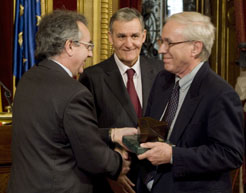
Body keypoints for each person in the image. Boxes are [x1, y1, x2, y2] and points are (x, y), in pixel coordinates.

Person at [7, 10, 138, 193]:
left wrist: (110, 134)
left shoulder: (28, 79)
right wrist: (119, 162)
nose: (90, 53)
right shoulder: (74, 93)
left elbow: (58, 134)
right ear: (69, 46)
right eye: (88, 46)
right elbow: (93, 158)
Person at [137, 11, 245, 193]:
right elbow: (153, 130)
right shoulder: (162, 80)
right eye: (161, 41)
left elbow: (230, 154)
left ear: (195, 48)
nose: (161, 49)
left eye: (169, 43)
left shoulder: (220, 94)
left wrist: (173, 155)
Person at [79, 7, 162, 193]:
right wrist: (112, 169)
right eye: (121, 36)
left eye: (134, 36)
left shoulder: (160, 71)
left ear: (144, 36)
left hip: (157, 177)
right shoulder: (92, 77)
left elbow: (169, 120)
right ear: (110, 37)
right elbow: (85, 133)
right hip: (112, 180)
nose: (129, 43)